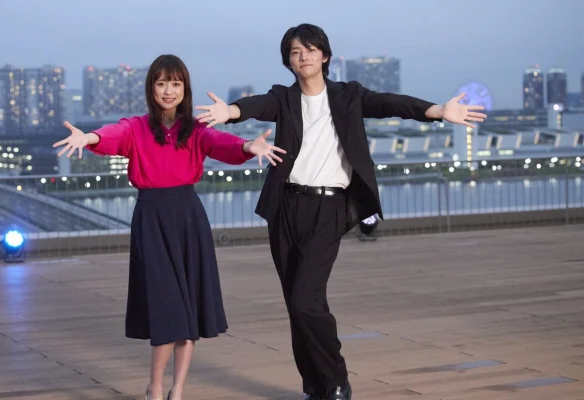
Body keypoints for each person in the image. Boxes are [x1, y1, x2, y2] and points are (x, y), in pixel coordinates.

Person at [196, 23, 487, 400]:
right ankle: (315, 388)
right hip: (286, 206)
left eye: (309, 50)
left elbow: (390, 103)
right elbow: (255, 105)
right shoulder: (283, 98)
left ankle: (336, 382)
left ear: (325, 56)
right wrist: (230, 111)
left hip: (329, 206)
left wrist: (437, 111)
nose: (303, 57)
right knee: (298, 306)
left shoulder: (349, 95)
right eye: (295, 52)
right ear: (288, 61)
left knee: (305, 300)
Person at [53, 54, 285, 400]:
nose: (168, 90)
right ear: (151, 88)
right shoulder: (136, 127)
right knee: (168, 310)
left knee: (188, 312)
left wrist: (248, 146)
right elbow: (111, 136)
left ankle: (176, 391)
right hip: (151, 219)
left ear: (184, 89)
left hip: (188, 218)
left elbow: (222, 144)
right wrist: (89, 138)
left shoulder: (196, 129)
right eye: (161, 83)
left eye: (175, 84)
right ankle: (156, 388)